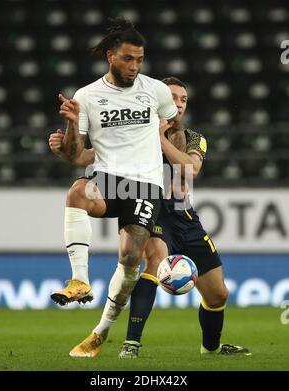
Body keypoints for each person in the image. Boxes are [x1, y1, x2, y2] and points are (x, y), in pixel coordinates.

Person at [49, 76, 251, 358]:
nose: (178, 104)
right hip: (153, 210)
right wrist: (64, 149)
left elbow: (191, 170)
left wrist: (159, 138)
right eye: (173, 98)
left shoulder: (193, 137)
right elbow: (87, 157)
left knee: (218, 295)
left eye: (183, 100)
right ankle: (131, 343)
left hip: (185, 218)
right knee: (153, 260)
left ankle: (211, 348)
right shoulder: (133, 134)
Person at [49, 17, 182, 358]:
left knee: (129, 258)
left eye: (139, 59)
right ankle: (79, 280)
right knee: (76, 193)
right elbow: (76, 156)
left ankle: (101, 331)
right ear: (110, 56)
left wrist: (179, 171)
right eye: (128, 58)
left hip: (146, 185)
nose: (135, 66)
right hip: (108, 178)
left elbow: (175, 127)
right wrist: (71, 124)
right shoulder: (88, 96)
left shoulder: (155, 90)